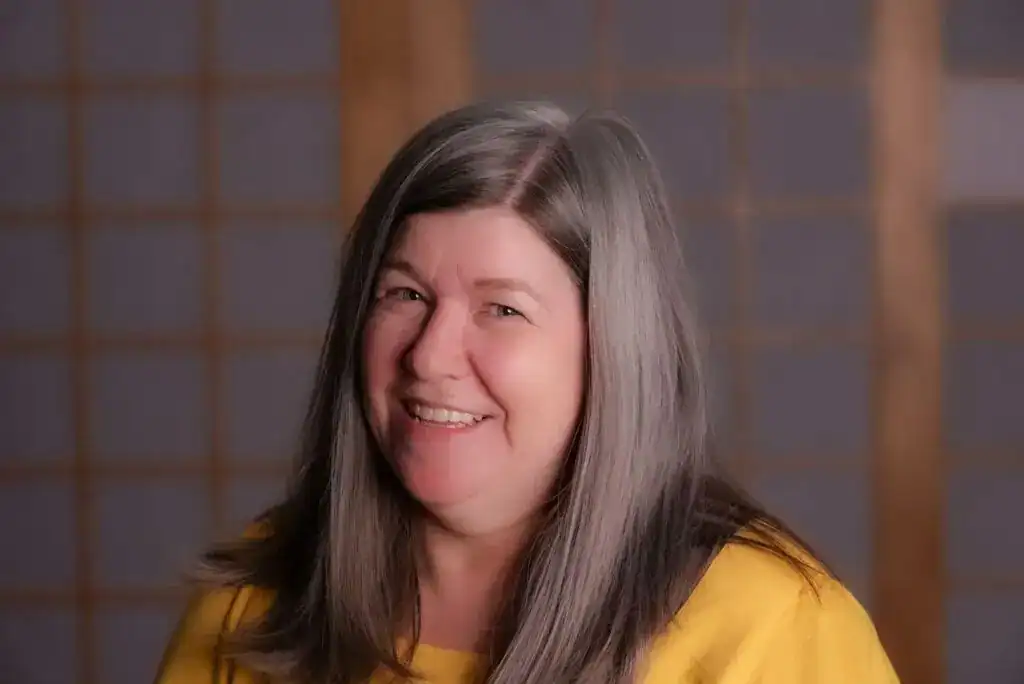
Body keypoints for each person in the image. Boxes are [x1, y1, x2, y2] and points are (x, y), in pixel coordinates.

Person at [154, 101, 899, 684]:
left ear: (613, 350)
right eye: (404, 294)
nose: (430, 354)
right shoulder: (260, 595)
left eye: (501, 308)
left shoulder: (770, 627)